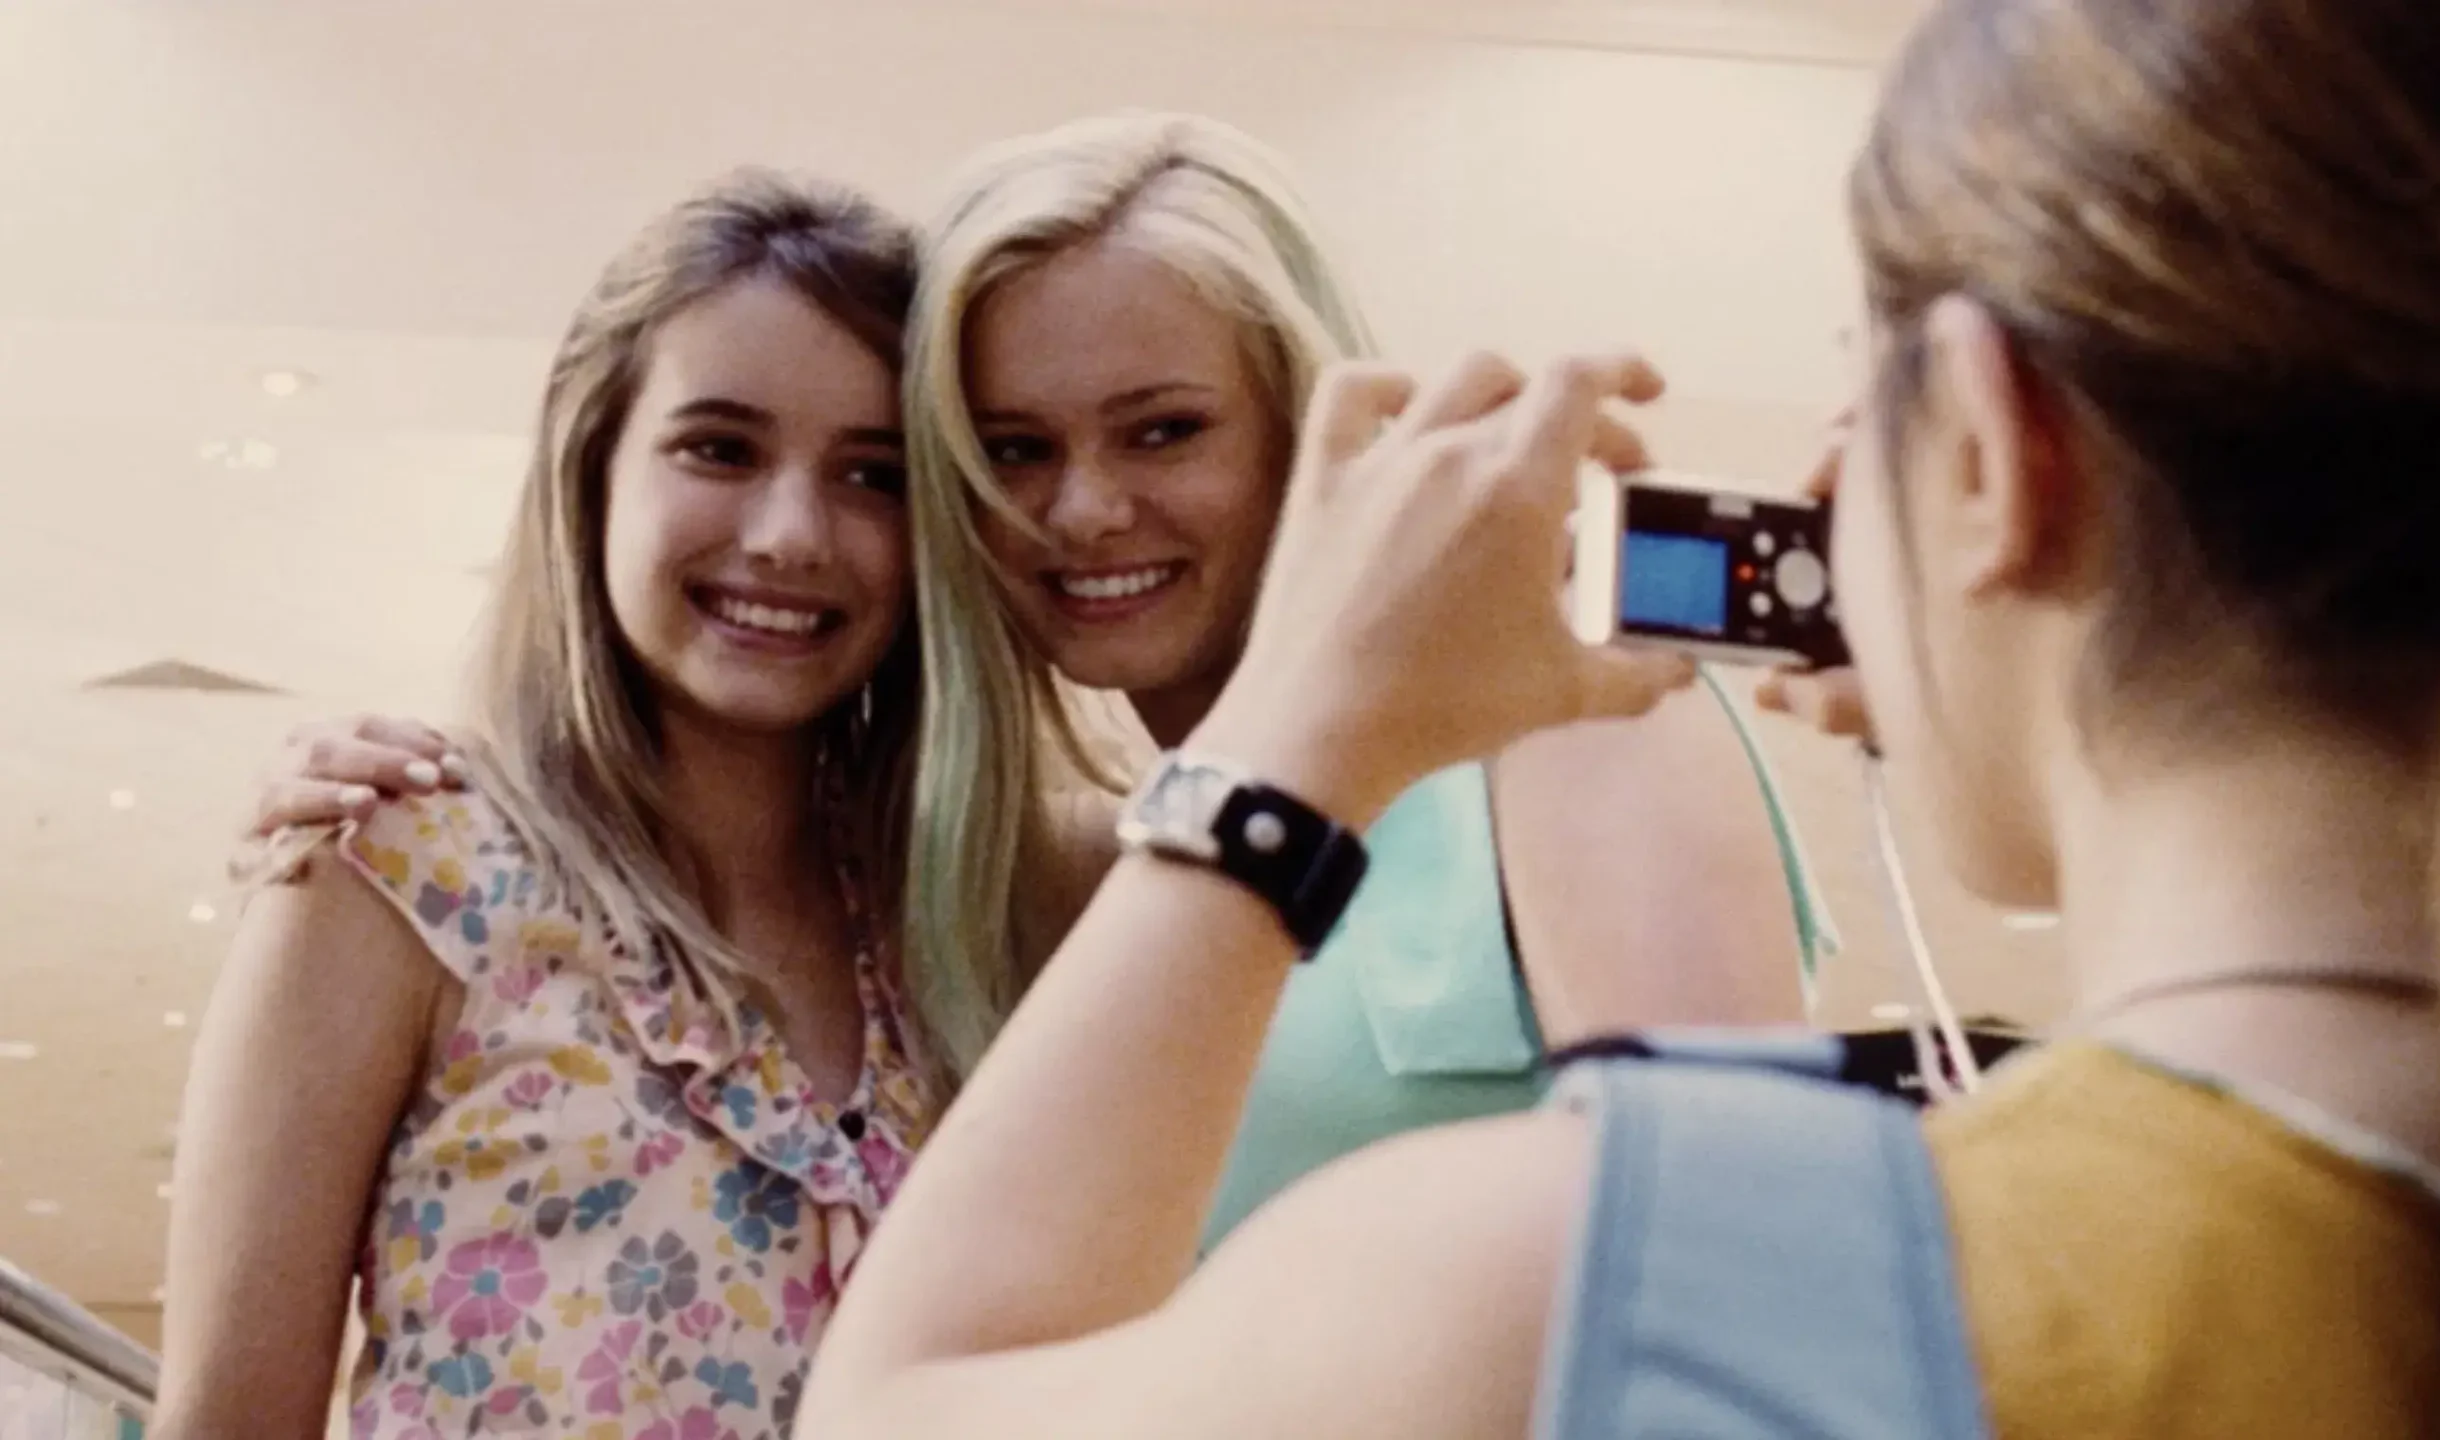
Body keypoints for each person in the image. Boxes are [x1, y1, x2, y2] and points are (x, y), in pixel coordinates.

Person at [781, 0, 2440, 1433]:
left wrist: (1293, 739)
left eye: (1864, 401)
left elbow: (897, 1411)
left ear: (1992, 458)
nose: (1082, 506)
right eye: (1012, 453)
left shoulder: (1570, 1283)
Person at [242, 112, 1820, 1250]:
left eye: (1164, 430)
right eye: (1010, 449)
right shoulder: (1064, 876)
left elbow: (1735, 1267)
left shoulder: (1574, 722)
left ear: (1300, 416)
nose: (1084, 510)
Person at [156, 173, 939, 1440]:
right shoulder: (397, 869)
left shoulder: (967, 915)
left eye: (873, 473)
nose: (793, 533)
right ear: (593, 472)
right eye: (720, 449)